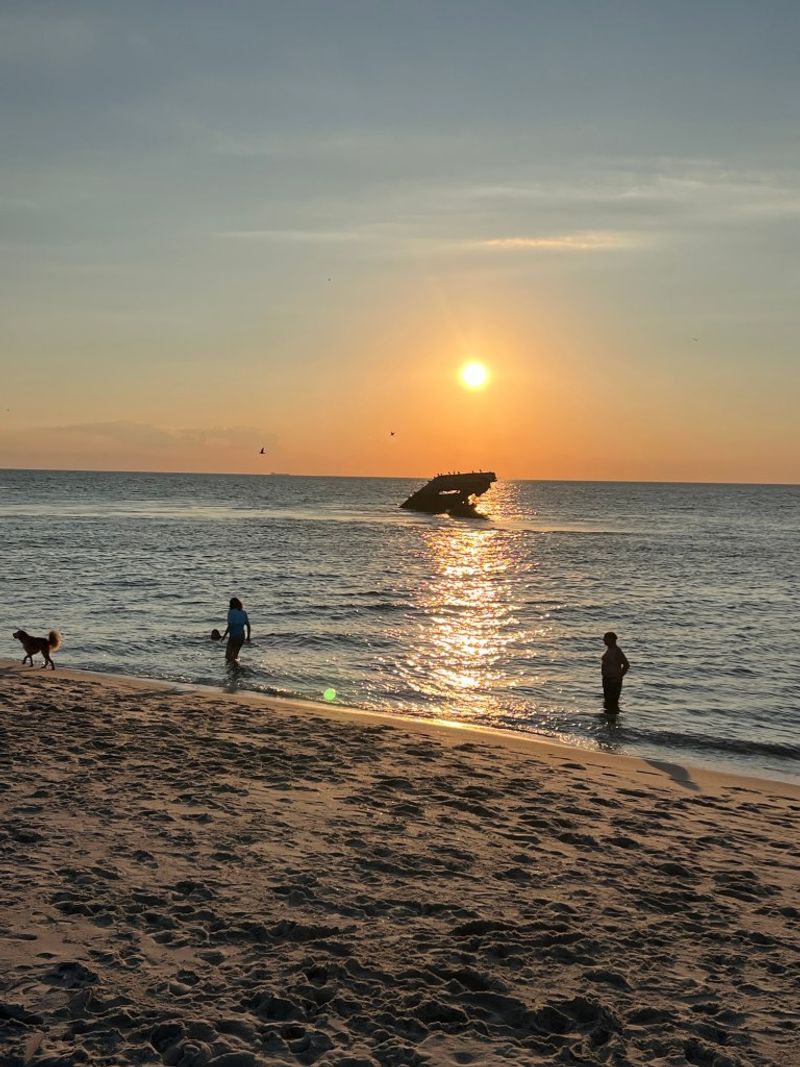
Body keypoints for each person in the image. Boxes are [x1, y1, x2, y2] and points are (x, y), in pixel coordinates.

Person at [601, 631, 629, 708]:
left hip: (613, 681)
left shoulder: (617, 651)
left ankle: (612, 718)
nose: (604, 640)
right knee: (607, 703)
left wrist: (619, 677)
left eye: (606, 638)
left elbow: (626, 665)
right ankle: (608, 719)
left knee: (612, 703)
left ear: (612, 639)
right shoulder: (609, 649)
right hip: (607, 680)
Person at [220, 597, 251, 664]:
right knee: (235, 655)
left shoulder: (231, 612)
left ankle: (232, 670)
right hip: (241, 636)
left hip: (234, 636)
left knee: (228, 656)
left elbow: (230, 626)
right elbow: (248, 626)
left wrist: (224, 636)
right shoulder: (243, 612)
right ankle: (236, 668)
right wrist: (248, 637)